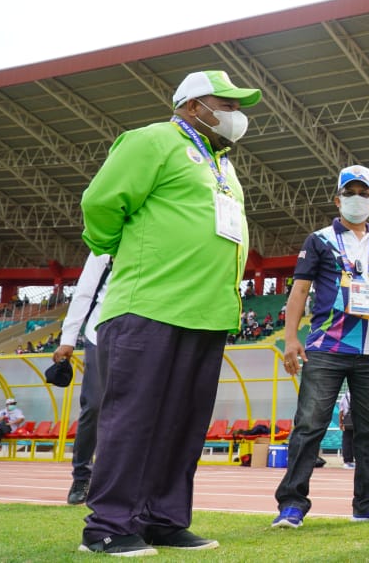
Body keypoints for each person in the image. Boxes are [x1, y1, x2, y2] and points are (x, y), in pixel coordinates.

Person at [77, 70, 261, 555]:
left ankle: (164, 518)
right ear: (195, 105)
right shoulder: (152, 140)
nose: (236, 115)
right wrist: (116, 247)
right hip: (150, 306)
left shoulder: (223, 165)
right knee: (133, 419)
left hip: (208, 311)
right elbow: (100, 203)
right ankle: (108, 525)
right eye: (229, 104)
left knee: (184, 424)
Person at [273, 165, 369, 528]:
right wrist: (292, 337)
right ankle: (292, 504)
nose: (356, 199)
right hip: (327, 347)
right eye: (350, 192)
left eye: (363, 193)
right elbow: (299, 290)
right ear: (337, 198)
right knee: (309, 424)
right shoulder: (320, 239)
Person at [53, 251, 113, 505]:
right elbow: (85, 292)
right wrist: (68, 339)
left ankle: (123, 479)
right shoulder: (106, 244)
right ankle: (82, 476)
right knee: (95, 406)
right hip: (101, 331)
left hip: (144, 335)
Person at [338, 389, 355, 469]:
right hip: (357, 421)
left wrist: (341, 422)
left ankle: (347, 460)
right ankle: (354, 460)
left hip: (347, 420)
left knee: (346, 440)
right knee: (356, 441)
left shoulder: (344, 396)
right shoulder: (359, 393)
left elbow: (341, 411)